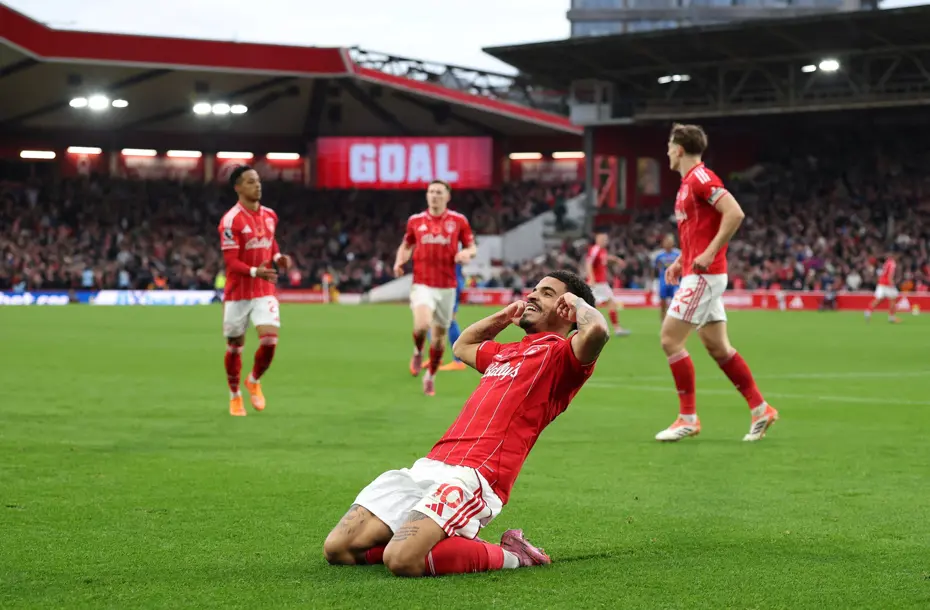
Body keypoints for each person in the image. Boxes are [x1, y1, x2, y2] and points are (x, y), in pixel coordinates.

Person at [323, 271, 609, 577]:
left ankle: (515, 555)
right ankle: (434, 543)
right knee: (338, 548)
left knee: (402, 560)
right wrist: (503, 317)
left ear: (566, 310)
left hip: (476, 474)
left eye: (548, 293)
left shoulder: (563, 358)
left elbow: (597, 331)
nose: (532, 295)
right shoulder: (507, 352)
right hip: (432, 463)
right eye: (535, 289)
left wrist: (578, 303)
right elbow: (461, 346)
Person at [655, 124, 778, 443]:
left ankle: (687, 418)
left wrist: (709, 253)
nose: (667, 152)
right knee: (717, 346)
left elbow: (734, 213)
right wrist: (681, 260)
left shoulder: (700, 178)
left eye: (669, 147)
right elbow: (698, 231)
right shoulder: (687, 184)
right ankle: (761, 409)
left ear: (679, 149)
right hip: (698, 272)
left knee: (670, 339)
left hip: (704, 276)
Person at [218, 166, 290, 417]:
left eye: (258, 181)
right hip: (238, 292)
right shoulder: (230, 221)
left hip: (264, 289)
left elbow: (271, 241)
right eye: (250, 182)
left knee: (270, 341)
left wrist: (278, 257)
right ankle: (235, 395)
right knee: (235, 346)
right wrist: (254, 271)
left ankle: (254, 380)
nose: (257, 185)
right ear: (238, 188)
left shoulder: (270, 215)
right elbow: (231, 261)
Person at [394, 181, 477, 396]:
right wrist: (400, 261)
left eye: (439, 192)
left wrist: (467, 253)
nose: (434, 195)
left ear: (447, 197)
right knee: (422, 325)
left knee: (439, 338)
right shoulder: (416, 221)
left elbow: (471, 246)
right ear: (427, 195)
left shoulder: (458, 221)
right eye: (431, 191)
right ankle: (418, 351)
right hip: (422, 284)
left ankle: (430, 376)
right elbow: (407, 245)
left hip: (447, 287)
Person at [585, 230, 630, 336]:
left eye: (606, 239)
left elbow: (605, 259)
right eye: (603, 239)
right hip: (597, 283)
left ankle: (615, 328)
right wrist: (591, 278)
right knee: (600, 304)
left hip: (601, 283)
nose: (605, 241)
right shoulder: (595, 249)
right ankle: (616, 329)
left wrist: (616, 260)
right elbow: (588, 263)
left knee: (594, 305)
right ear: (597, 239)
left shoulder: (602, 250)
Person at [439, 263, 468, 371]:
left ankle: (458, 360)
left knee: (450, 320)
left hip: (450, 282)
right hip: (440, 282)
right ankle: (436, 357)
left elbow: (465, 257)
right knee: (432, 320)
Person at [865, 252, 901, 324]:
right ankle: (891, 318)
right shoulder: (892, 263)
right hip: (887, 283)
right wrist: (891, 283)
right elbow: (890, 275)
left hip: (881, 283)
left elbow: (883, 272)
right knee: (893, 299)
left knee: (879, 299)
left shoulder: (887, 262)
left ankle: (868, 312)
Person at [652, 234, 681, 319]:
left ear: (673, 243)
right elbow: (654, 268)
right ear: (663, 243)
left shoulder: (678, 254)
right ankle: (663, 323)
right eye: (666, 242)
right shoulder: (659, 255)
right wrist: (653, 281)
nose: (668, 243)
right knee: (663, 305)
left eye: (670, 242)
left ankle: (674, 323)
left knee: (675, 305)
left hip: (675, 282)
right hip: (663, 282)